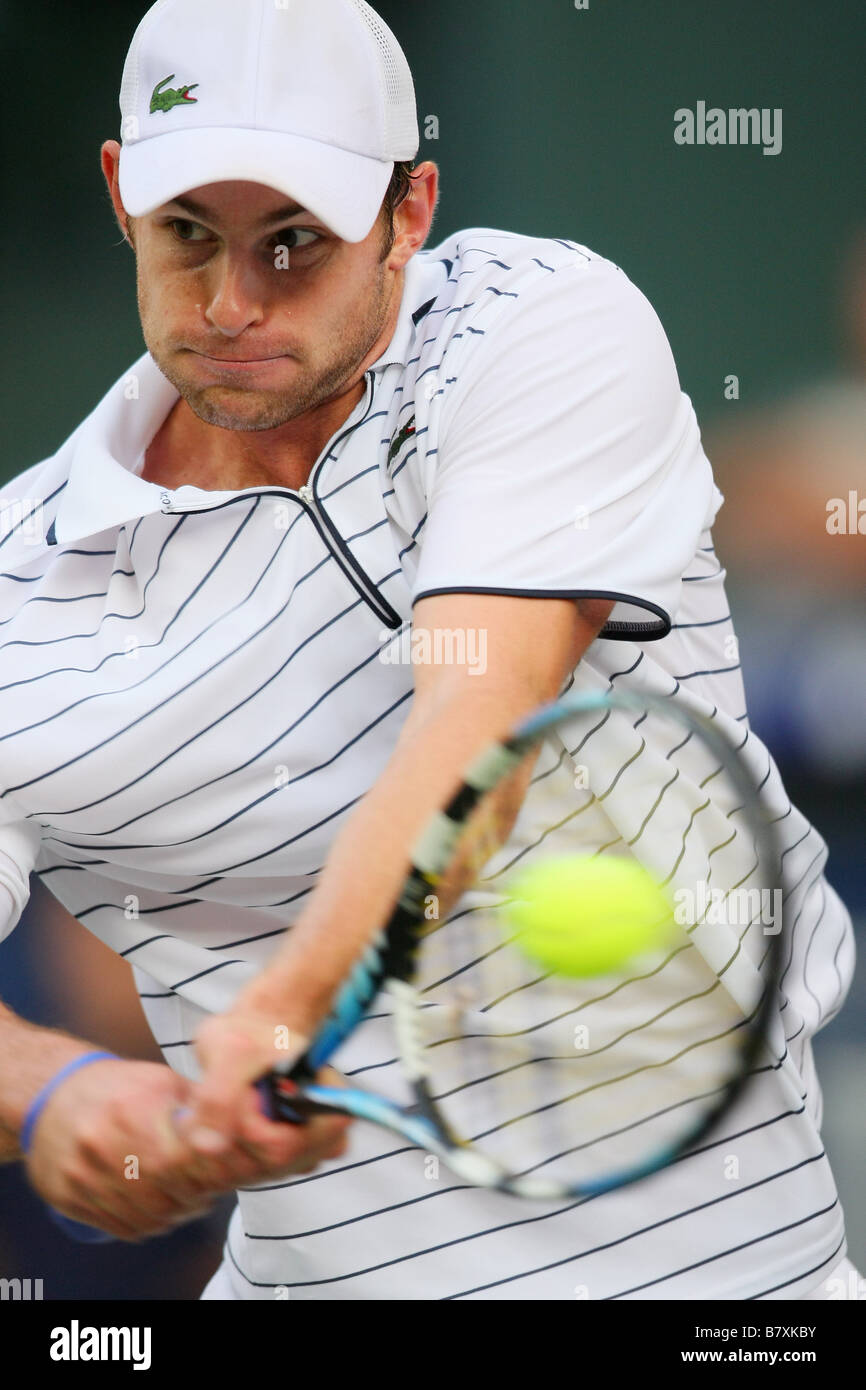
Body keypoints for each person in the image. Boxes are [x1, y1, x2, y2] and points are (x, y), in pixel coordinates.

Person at [0, 0, 858, 1300]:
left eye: (292, 242)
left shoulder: (538, 325)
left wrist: (285, 1008)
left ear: (410, 211)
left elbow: (477, 735)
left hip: (731, 1289)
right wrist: (48, 1091)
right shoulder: (18, 576)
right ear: (122, 194)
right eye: (190, 237)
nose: (231, 302)